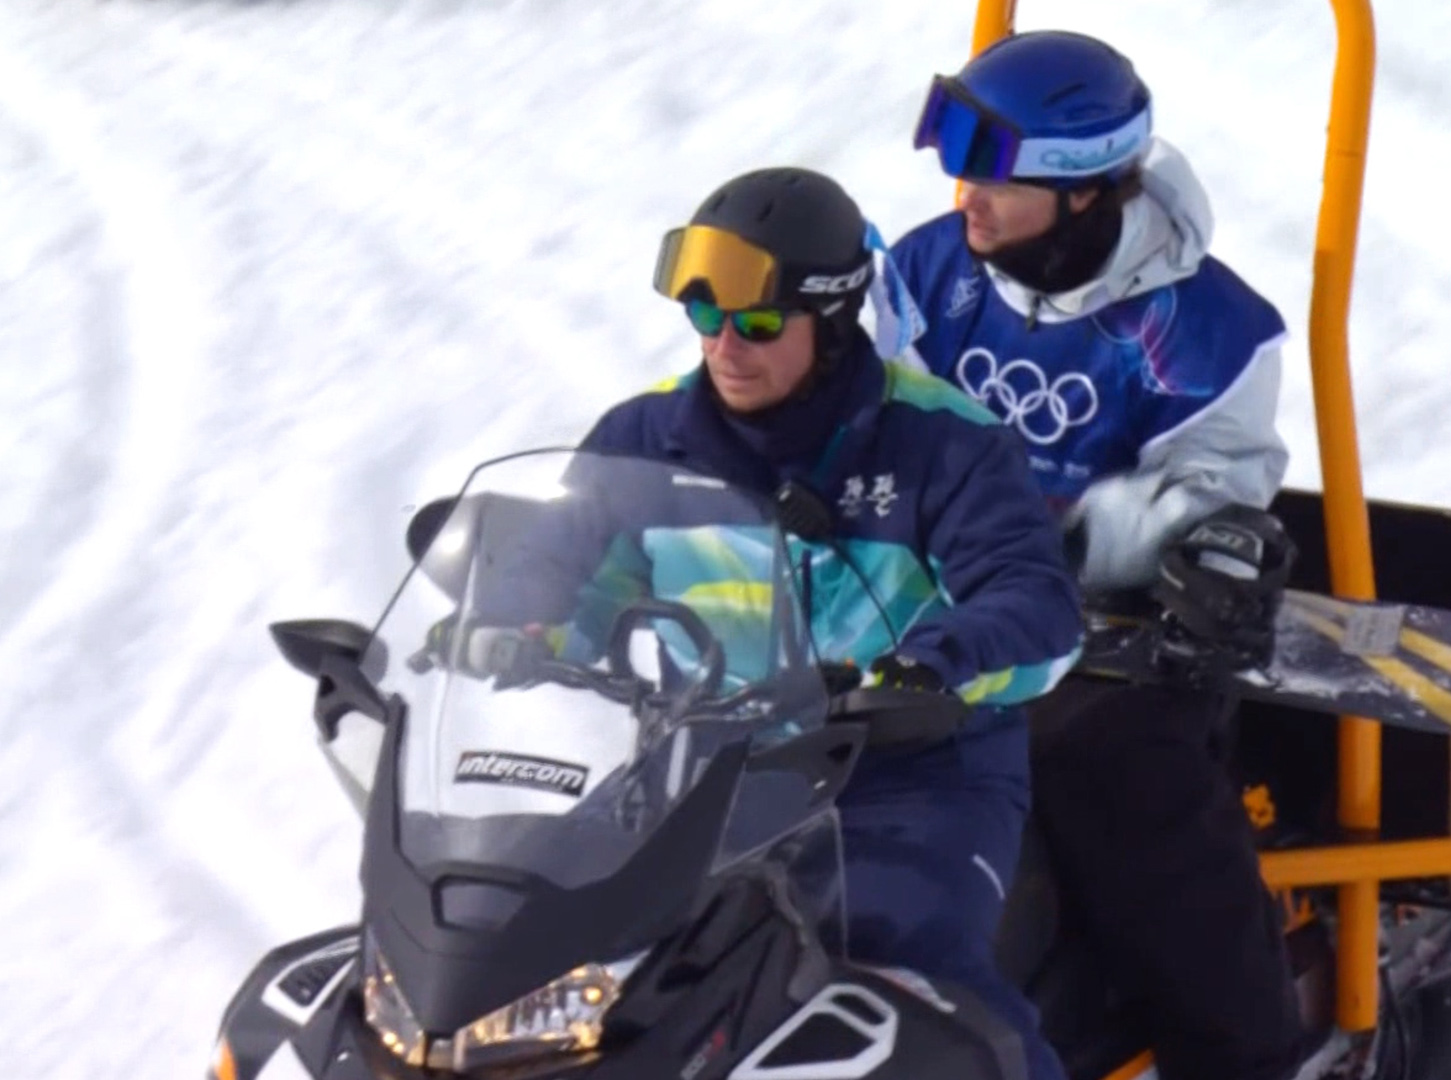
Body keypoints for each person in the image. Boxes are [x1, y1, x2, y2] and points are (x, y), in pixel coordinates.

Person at [462, 166, 1081, 1080]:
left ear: (830, 324)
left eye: (756, 325)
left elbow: (1036, 606)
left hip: (907, 772)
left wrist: (934, 664)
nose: (725, 347)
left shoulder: (941, 441)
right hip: (697, 770)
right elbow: (564, 569)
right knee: (521, 932)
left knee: (900, 958)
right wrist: (517, 628)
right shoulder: (645, 441)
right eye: (705, 317)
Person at [891, 30, 1307, 1080]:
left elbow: (1212, 488)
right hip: (923, 600)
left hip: (1111, 629)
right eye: (961, 169)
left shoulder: (1202, 327)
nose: (967, 200)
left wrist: (1075, 538)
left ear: (1081, 191)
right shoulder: (932, 271)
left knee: (1105, 776)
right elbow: (864, 404)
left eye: (996, 178)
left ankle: (1237, 1053)